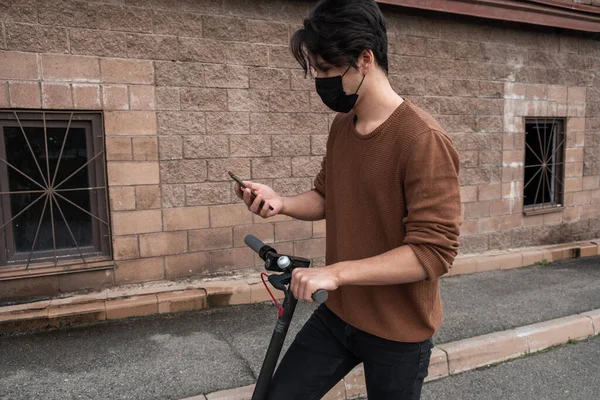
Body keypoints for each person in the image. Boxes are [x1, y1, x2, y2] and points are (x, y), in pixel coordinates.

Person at [234, 0, 461, 398]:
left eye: (325, 69)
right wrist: (281, 202)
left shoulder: (423, 140)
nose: (319, 80)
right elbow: (325, 196)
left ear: (365, 59)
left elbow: (432, 253)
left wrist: (335, 273)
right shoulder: (343, 125)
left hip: (399, 332)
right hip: (339, 315)